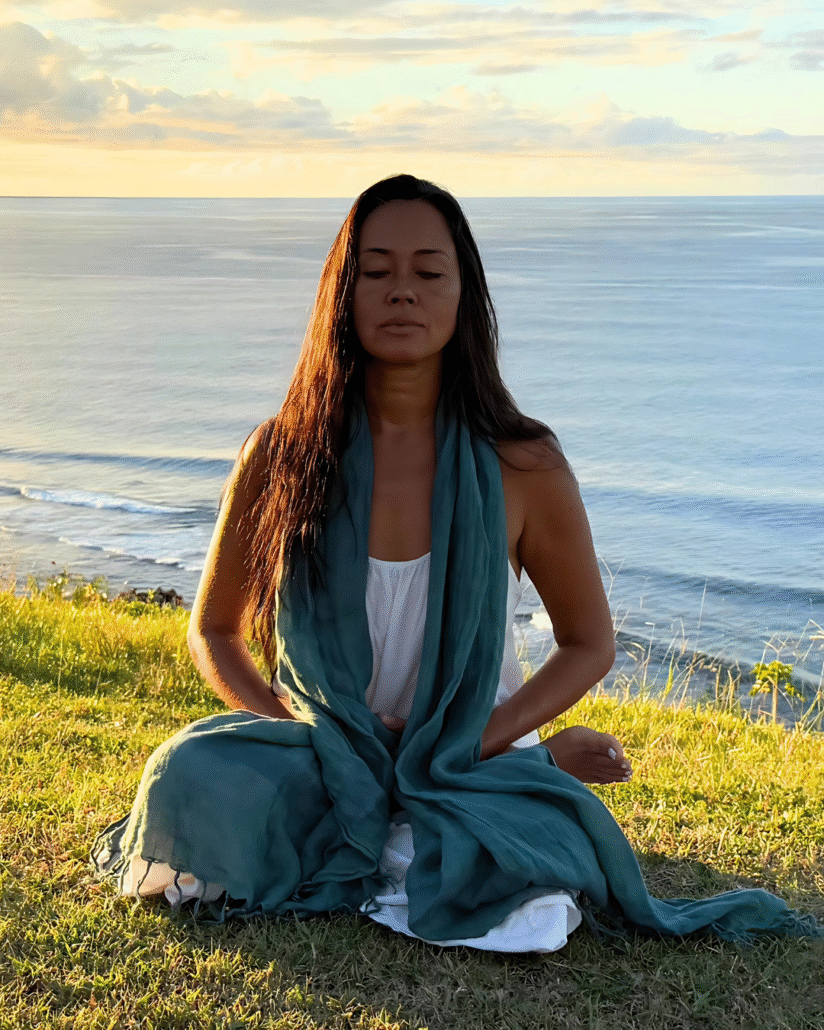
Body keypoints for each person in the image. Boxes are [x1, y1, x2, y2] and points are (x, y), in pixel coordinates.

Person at [92, 174, 820, 951]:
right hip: (320, 746)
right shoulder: (281, 453)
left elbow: (588, 643)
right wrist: (295, 725)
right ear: (342, 292)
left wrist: (472, 741)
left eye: (428, 272)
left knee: (530, 917)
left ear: (463, 295)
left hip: (463, 753)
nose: (402, 291)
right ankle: (520, 774)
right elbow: (214, 628)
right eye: (376, 271)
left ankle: (517, 771)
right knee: (183, 777)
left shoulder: (522, 464)